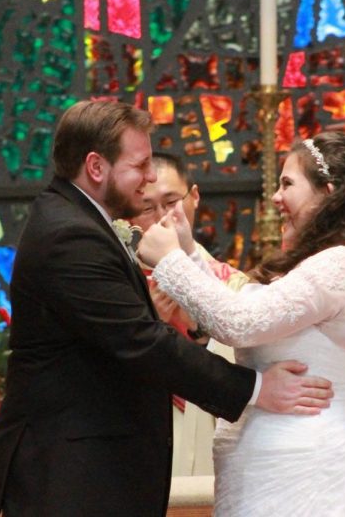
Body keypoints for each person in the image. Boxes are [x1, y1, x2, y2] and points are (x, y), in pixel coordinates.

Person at [0, 100, 334, 517]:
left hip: (89, 466)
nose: (150, 178)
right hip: (71, 473)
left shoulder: (76, 219)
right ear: (96, 167)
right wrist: (258, 389)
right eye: (141, 164)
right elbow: (143, 342)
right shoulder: (70, 235)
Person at [139, 132, 345, 516]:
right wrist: (187, 253)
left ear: (327, 193)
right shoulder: (318, 263)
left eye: (287, 184)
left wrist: (169, 261)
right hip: (269, 473)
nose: (276, 198)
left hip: (308, 475)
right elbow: (238, 307)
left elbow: (239, 323)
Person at [130, 152, 248, 476]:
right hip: (141, 433)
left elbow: (250, 363)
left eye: (171, 202)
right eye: (146, 207)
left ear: (194, 197)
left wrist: (200, 330)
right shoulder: (119, 290)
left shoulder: (231, 285)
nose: (161, 218)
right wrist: (148, 322)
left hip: (214, 430)